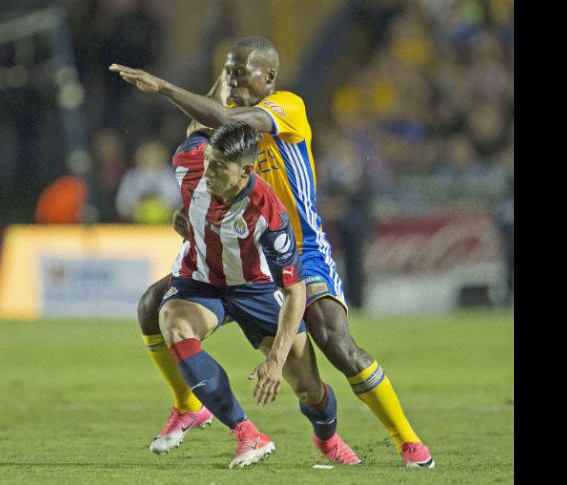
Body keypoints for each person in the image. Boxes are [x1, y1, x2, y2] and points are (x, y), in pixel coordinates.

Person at [111, 35, 434, 468]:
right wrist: (188, 212)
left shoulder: (287, 107)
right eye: (228, 73)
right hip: (244, 254)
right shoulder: (227, 136)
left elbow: (220, 115)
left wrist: (164, 87)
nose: (232, 81)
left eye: (240, 73)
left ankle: (405, 440)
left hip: (300, 247)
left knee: (333, 342)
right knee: (155, 305)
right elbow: (202, 130)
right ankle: (190, 406)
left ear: (269, 77)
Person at [158, 121, 358, 469]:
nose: (209, 172)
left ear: (246, 171)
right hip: (202, 283)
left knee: (310, 389)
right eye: (209, 161)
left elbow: (294, 291)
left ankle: (327, 438)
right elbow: (195, 122)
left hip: (257, 290)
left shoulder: (267, 210)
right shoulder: (189, 164)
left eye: (220, 167)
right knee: (173, 323)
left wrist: (276, 360)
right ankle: (246, 433)